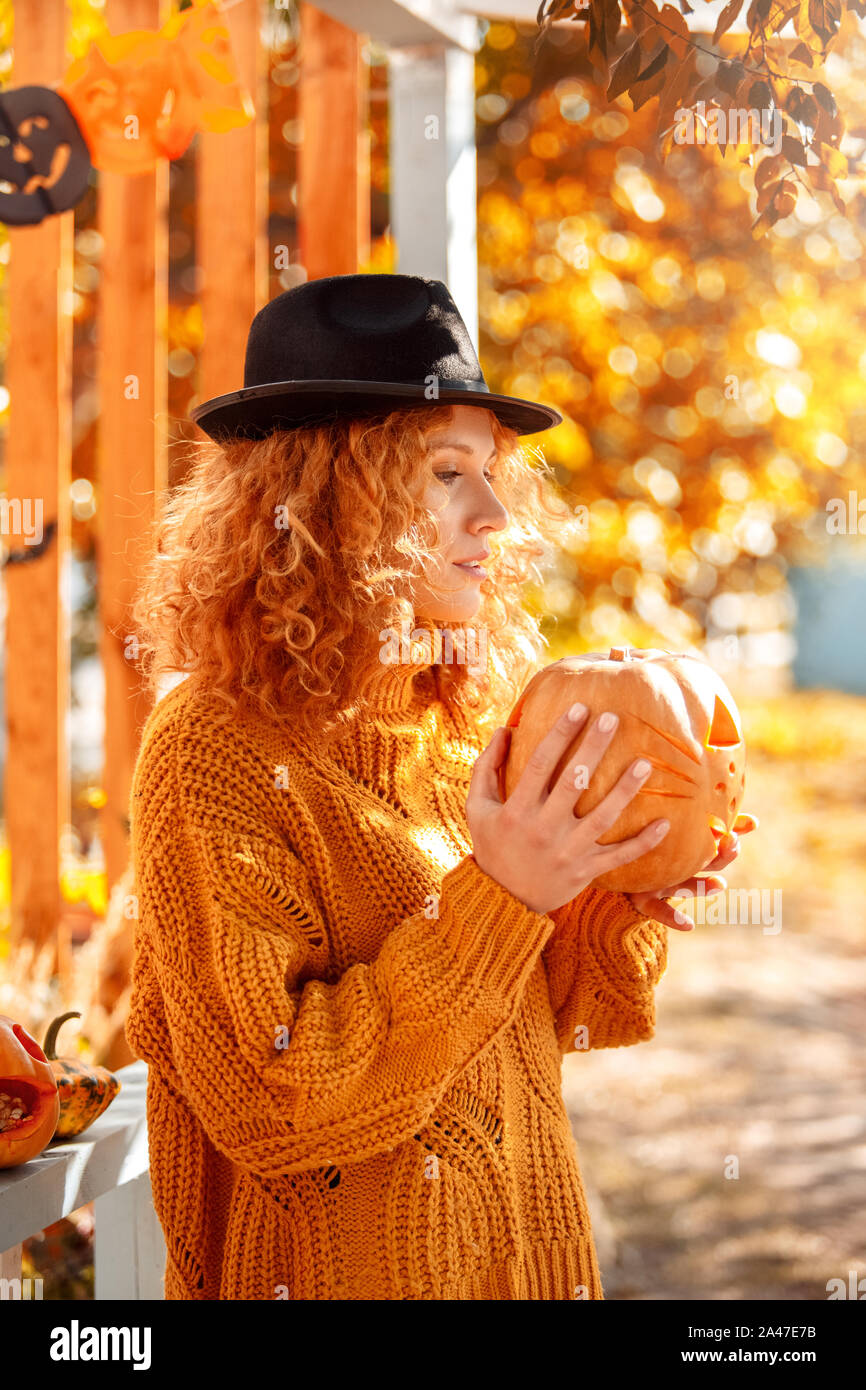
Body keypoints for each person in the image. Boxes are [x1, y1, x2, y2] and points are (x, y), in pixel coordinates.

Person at [125, 273, 748, 1300]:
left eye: (491, 470)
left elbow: (559, 1019)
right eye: (446, 472)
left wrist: (609, 898)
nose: (495, 513)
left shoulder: (470, 716)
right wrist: (501, 896)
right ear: (324, 493)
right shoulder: (211, 750)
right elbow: (274, 1102)